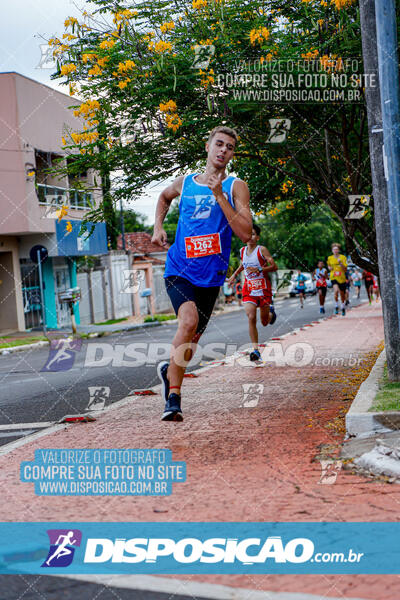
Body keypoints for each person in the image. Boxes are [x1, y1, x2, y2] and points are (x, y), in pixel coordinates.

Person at [152, 126, 252, 421]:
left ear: (232, 154)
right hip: (179, 268)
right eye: (219, 144)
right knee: (188, 321)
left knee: (191, 340)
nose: (223, 150)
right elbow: (163, 197)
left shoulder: (236, 186)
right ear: (207, 147)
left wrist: (220, 195)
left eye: (229, 147)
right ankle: (173, 399)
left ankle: (168, 370)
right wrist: (158, 226)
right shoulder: (185, 182)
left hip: (211, 277)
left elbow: (246, 233)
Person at [227, 224, 278, 361]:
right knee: (251, 317)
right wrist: (234, 276)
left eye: (254, 234)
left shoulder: (262, 250)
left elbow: (274, 266)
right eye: (249, 233)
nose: (251, 237)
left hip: (263, 289)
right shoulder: (242, 250)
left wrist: (260, 270)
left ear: (258, 237)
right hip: (249, 289)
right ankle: (255, 351)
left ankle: (271, 312)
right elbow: (243, 264)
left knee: (265, 322)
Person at [327, 243, 348, 316]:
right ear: (332, 250)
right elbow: (329, 266)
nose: (335, 251)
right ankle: (336, 306)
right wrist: (330, 268)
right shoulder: (330, 258)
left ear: (338, 250)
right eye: (334, 249)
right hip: (334, 277)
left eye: (336, 249)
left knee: (342, 294)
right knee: (336, 291)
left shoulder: (343, 257)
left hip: (342, 278)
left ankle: (342, 307)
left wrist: (340, 263)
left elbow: (345, 269)